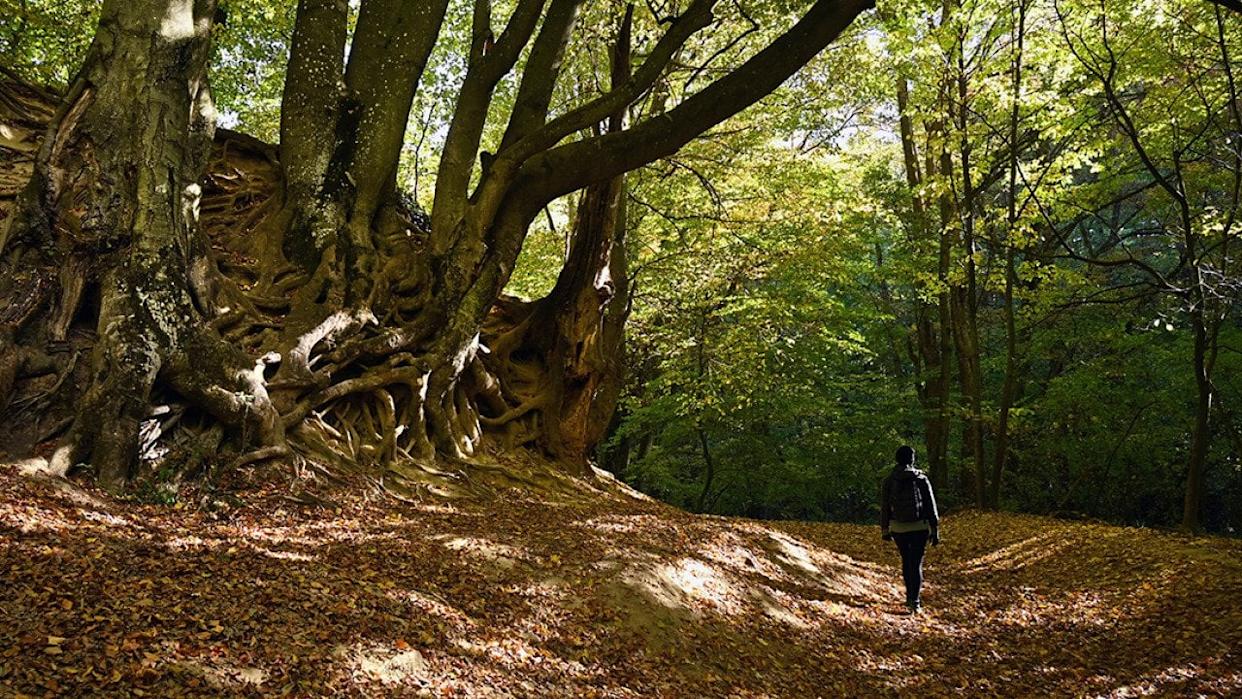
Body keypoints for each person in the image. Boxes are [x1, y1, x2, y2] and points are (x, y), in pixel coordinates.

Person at [880, 445, 939, 614]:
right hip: (919, 526)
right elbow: (930, 505)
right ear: (912, 459)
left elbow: (885, 506)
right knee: (917, 562)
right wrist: (935, 529)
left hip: (899, 528)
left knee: (907, 561)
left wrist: (885, 529)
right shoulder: (921, 479)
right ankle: (915, 601)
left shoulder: (889, 480)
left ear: (897, 459)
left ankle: (909, 597)